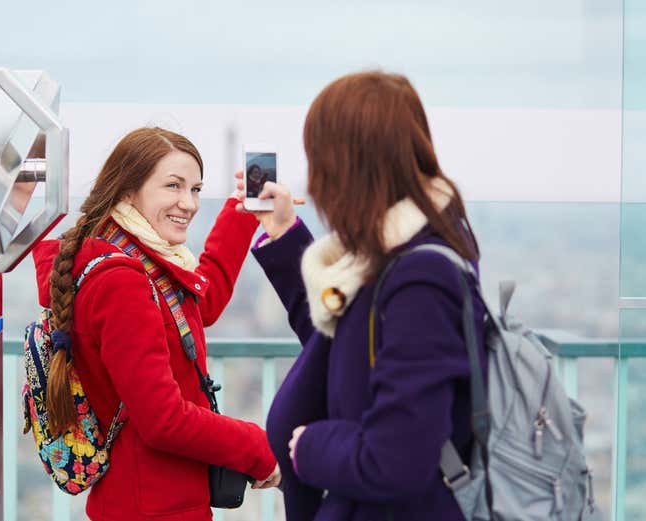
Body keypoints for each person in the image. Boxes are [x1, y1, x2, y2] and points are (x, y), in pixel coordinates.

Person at [236, 71, 487, 520]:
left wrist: (309, 445)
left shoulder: (421, 281)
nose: (313, 182)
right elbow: (335, 342)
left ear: (348, 166)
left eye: (319, 160)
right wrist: (282, 234)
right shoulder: (390, 260)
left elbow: (399, 458)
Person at [32, 127, 280, 521]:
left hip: (147, 499)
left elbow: (198, 306)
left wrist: (241, 211)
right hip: (154, 506)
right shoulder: (123, 280)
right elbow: (162, 420)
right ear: (128, 191)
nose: (189, 203)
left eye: (196, 189)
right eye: (173, 186)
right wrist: (260, 449)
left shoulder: (128, 258)